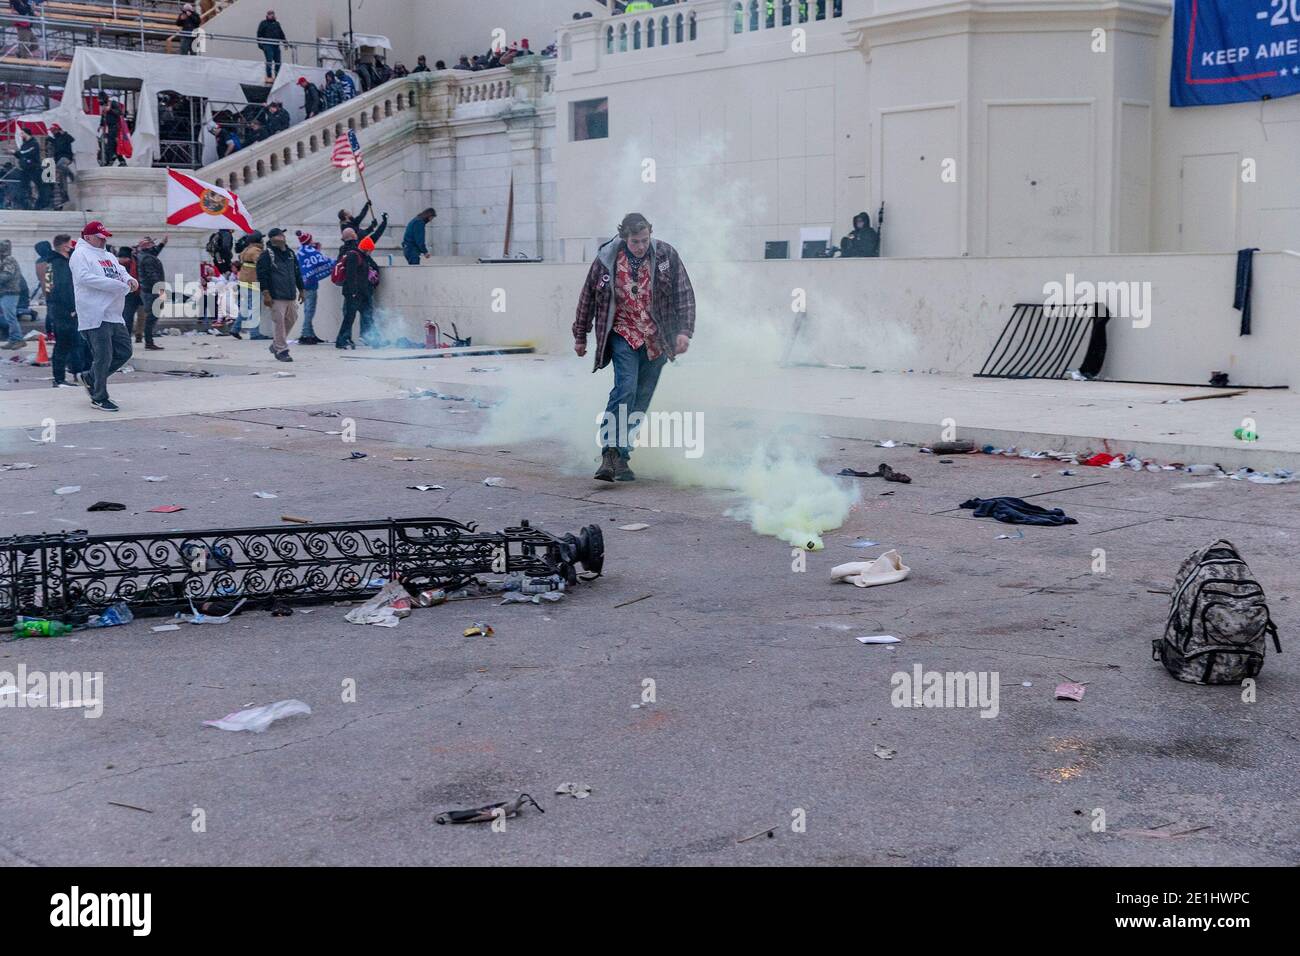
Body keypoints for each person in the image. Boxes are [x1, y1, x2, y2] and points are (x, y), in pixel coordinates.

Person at [572, 212, 696, 482]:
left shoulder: (665, 255)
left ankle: (623, 457)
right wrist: (580, 335)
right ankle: (609, 451)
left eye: (644, 239)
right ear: (623, 237)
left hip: (656, 338)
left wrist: (684, 331)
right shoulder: (607, 260)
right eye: (635, 241)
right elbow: (588, 296)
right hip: (623, 333)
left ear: (650, 233)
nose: (641, 246)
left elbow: (683, 293)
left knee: (640, 399)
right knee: (625, 388)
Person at [70, 221, 137, 412]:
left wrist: (129, 280)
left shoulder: (108, 255)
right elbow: (84, 278)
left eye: (104, 237)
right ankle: (99, 397)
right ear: (88, 237)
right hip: (94, 313)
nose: (103, 240)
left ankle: (91, 377)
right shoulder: (80, 255)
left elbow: (121, 272)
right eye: (99, 237)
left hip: (114, 312)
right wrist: (116, 285)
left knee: (124, 351)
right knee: (103, 356)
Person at [255, 228, 303, 362]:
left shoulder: (290, 254)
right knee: (279, 323)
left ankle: (276, 344)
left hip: (290, 294)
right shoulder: (266, 255)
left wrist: (301, 289)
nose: (281, 238)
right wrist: (266, 293)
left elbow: (297, 272)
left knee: (292, 318)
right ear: (272, 239)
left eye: (282, 235)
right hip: (276, 295)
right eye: (278, 236)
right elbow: (262, 275)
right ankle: (282, 350)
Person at [46, 234, 84, 388]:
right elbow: (65, 288)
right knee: (64, 344)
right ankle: (60, 378)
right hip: (64, 310)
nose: (72, 246)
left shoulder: (51, 263)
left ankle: (69, 374)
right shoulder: (60, 264)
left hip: (56, 308)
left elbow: (49, 288)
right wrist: (72, 308)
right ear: (63, 246)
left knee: (67, 343)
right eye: (70, 244)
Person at [335, 230, 376, 350]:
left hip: (362, 293)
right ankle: (341, 340)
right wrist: (353, 292)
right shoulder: (354, 255)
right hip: (353, 294)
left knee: (368, 316)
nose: (371, 252)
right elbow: (350, 275)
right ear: (366, 248)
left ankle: (373, 338)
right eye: (370, 250)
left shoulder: (363, 257)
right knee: (349, 318)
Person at [294, 231, 333, 345]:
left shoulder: (301, 251)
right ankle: (305, 333)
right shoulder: (310, 251)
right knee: (310, 310)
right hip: (310, 284)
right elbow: (321, 261)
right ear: (309, 240)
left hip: (303, 283)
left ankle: (310, 334)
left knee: (308, 309)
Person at [134, 236, 168, 350]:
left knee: (152, 316)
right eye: (151, 243)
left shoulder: (145, 256)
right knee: (152, 317)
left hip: (147, 291)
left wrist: (162, 243)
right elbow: (153, 276)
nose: (154, 245)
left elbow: (155, 252)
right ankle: (149, 342)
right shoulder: (148, 259)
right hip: (152, 292)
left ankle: (149, 340)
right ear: (147, 246)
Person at [237, 230, 266, 339]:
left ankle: (235, 328)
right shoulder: (255, 251)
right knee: (254, 308)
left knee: (245, 307)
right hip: (252, 281)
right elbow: (261, 265)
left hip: (244, 281)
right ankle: (254, 333)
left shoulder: (246, 250)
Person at [0, 239, 24, 348]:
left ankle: (18, 339)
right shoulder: (4, 260)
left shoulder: (9, 260)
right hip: (6, 292)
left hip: (10, 292)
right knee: (8, 316)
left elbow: (7, 275)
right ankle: (13, 339)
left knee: (10, 317)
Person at [14, 130, 46, 209]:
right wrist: (15, 153)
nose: (21, 135)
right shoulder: (24, 144)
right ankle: (26, 206)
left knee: (41, 188)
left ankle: (39, 206)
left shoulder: (34, 143)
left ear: (26, 134)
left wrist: (15, 152)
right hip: (25, 169)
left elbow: (26, 153)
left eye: (22, 133)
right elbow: (21, 155)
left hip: (34, 169)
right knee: (22, 188)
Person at [48, 123, 75, 206]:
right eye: (51, 131)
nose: (52, 132)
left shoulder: (64, 136)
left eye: (53, 130)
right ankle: (65, 195)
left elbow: (71, 139)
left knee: (60, 164)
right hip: (59, 159)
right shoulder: (55, 140)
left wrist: (64, 133)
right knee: (62, 179)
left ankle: (71, 174)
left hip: (66, 157)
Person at [257, 9, 286, 82]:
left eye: (272, 14)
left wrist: (285, 43)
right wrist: (260, 44)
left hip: (276, 44)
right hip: (268, 44)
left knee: (278, 62)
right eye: (270, 14)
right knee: (269, 60)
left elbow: (281, 34)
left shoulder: (277, 24)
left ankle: (277, 76)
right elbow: (259, 34)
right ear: (267, 15)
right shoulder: (263, 23)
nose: (271, 15)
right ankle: (269, 76)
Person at [100, 101, 126, 167]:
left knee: (112, 145)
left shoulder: (113, 104)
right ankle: (119, 160)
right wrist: (101, 125)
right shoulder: (105, 107)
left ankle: (111, 160)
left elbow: (119, 113)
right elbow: (103, 117)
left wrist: (110, 110)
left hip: (115, 128)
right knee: (113, 145)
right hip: (110, 128)